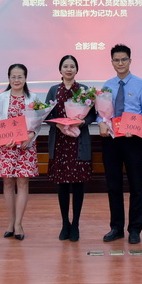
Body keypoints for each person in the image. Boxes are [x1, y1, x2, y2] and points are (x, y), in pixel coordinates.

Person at [98, 43, 142, 245]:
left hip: (133, 141)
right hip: (111, 140)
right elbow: (102, 113)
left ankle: (135, 229)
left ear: (130, 61)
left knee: (136, 186)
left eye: (124, 59)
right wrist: (101, 123)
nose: (120, 63)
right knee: (113, 186)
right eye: (116, 60)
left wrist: (136, 128)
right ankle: (116, 228)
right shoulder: (107, 85)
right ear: (112, 62)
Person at [44, 55, 94, 242]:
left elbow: (92, 115)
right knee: (63, 186)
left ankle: (76, 224)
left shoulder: (84, 90)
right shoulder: (53, 90)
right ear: (60, 70)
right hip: (60, 142)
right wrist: (57, 124)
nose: (69, 69)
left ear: (76, 70)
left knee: (78, 185)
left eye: (72, 66)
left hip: (78, 142)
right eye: (65, 66)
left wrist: (82, 122)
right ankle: (65, 223)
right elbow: (45, 114)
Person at [0, 64, 40, 241]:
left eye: (20, 77)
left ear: (25, 78)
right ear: (8, 78)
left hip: (26, 147)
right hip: (6, 147)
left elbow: (37, 123)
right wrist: (4, 139)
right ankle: (10, 222)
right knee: (7, 184)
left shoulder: (33, 98)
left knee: (22, 183)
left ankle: (19, 224)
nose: (16, 80)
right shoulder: (1, 98)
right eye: (13, 76)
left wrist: (31, 135)